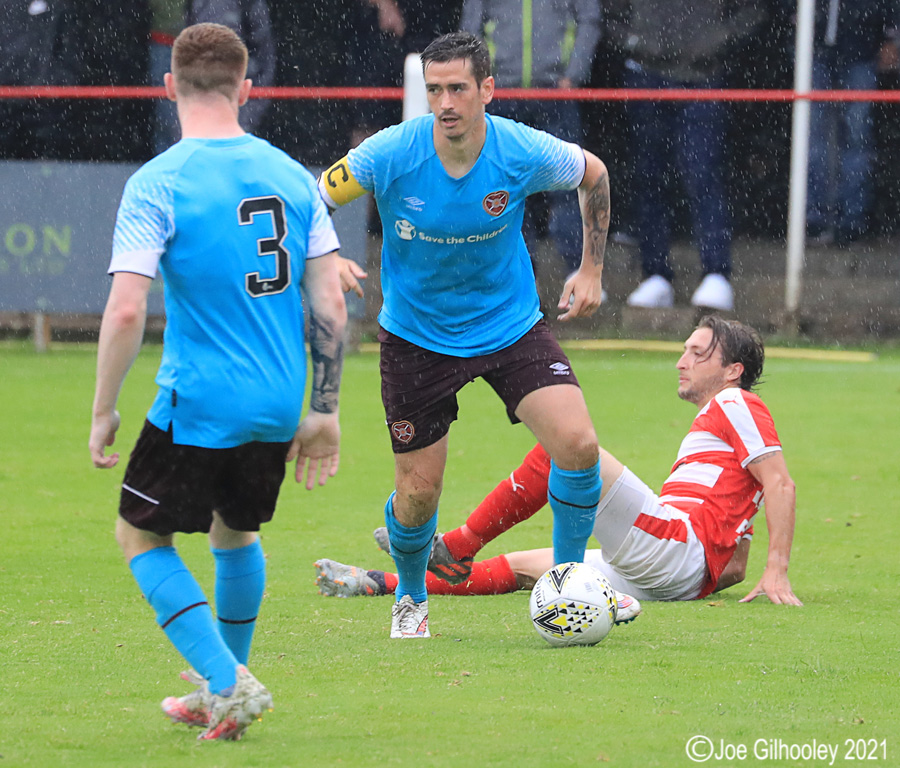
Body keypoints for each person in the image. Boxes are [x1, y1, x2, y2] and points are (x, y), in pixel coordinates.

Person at [89, 23, 347, 741]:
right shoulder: (294, 174)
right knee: (234, 536)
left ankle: (228, 682)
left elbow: (127, 307)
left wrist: (104, 409)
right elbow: (329, 302)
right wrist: (324, 409)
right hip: (276, 401)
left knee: (139, 538)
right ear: (247, 87)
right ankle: (220, 694)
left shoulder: (159, 180)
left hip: (198, 398)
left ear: (168, 84)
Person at [317, 32, 610, 639]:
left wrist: (591, 268)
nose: (445, 102)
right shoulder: (391, 152)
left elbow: (594, 174)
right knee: (419, 496)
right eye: (434, 90)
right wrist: (325, 260)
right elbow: (312, 198)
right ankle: (413, 596)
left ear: (487, 90)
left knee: (578, 445)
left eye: (457, 88)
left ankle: (570, 579)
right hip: (416, 337)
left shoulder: (520, 148)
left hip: (509, 326)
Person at [316, 315, 802, 607]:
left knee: (564, 450)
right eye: (684, 350)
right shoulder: (722, 430)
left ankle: (460, 543)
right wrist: (701, 582)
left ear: (733, 371)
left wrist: (776, 571)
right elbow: (735, 564)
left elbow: (780, 484)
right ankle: (379, 584)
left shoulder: (735, 403)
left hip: (676, 549)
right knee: (525, 567)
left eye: (698, 354)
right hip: (681, 571)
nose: (681, 360)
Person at [605, 0, 765, 312]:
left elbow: (753, 11)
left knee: (702, 175)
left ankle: (717, 273)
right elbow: (609, 14)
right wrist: (637, 41)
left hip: (703, 75)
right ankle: (655, 274)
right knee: (648, 177)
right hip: (646, 74)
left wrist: (718, 38)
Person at [460, 0, 602, 274]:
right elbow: (470, 30)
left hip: (556, 93)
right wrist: (484, 79)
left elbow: (589, 21)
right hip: (502, 95)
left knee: (568, 183)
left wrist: (573, 76)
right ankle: (518, 271)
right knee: (505, 187)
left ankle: (579, 269)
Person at [804, 0, 900, 246]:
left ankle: (852, 220)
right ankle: (815, 219)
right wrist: (795, 18)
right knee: (812, 133)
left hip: (861, 47)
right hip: (812, 47)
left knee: (857, 134)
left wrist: (891, 35)